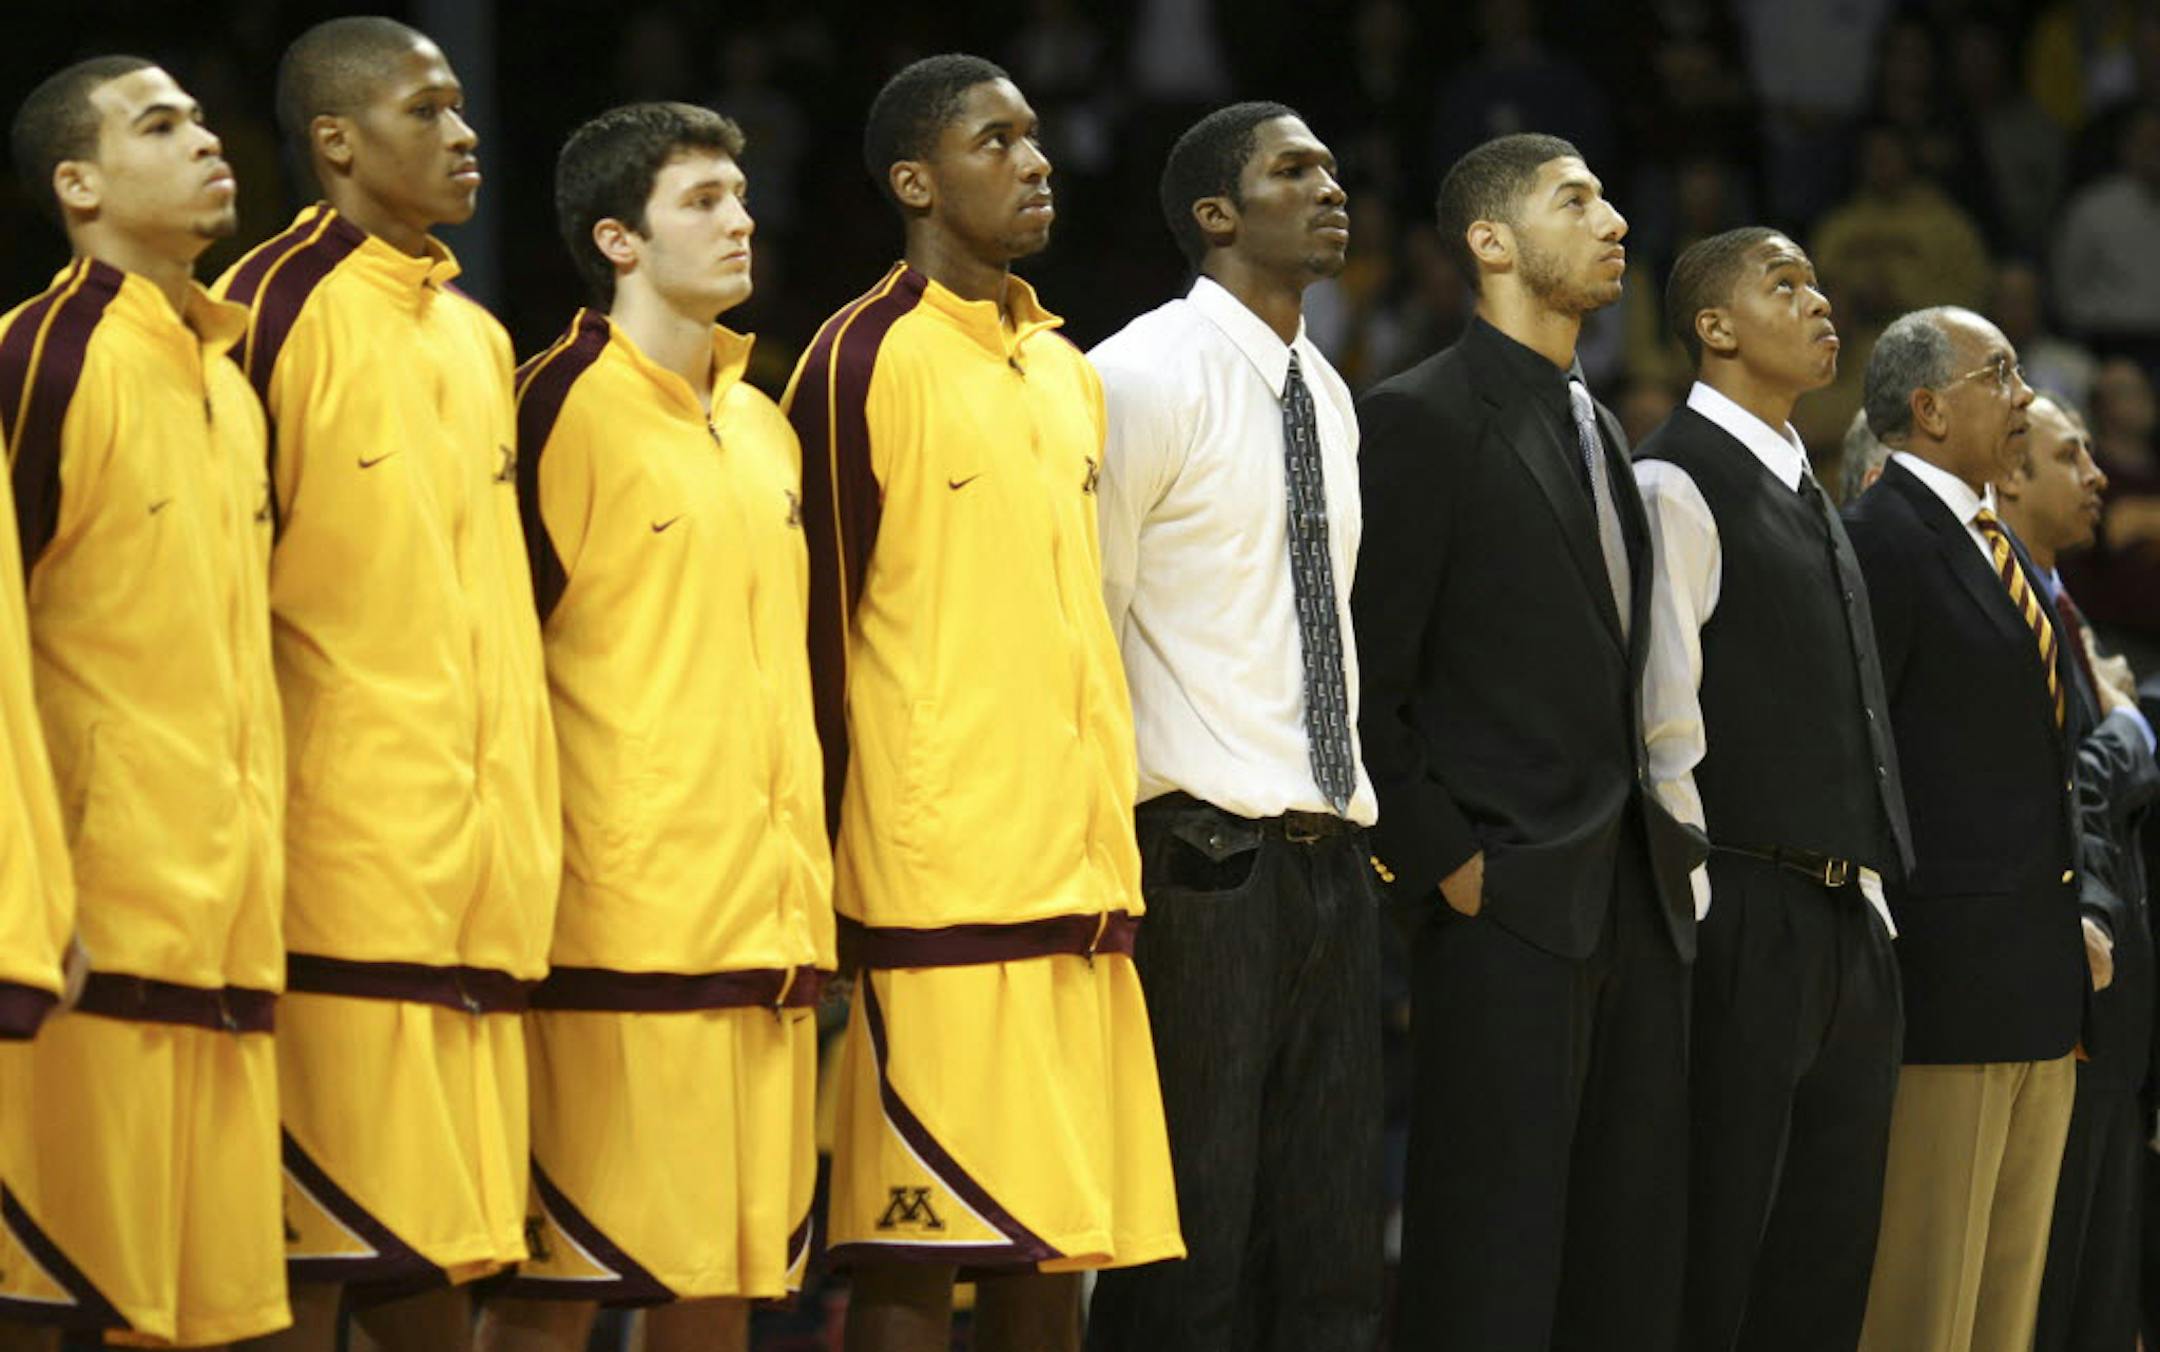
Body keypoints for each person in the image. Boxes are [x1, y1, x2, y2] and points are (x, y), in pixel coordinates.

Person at [781, 53, 1181, 1352]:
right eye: (995, 141)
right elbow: (811, 646)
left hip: (1076, 868)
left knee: (1048, 1249)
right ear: (916, 181)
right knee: (914, 1243)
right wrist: (820, 888)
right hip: (933, 877)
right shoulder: (855, 359)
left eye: (1036, 138)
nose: (1036, 161)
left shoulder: (1064, 368)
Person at [215, 17, 559, 1350]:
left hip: (479, 872)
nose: (463, 134)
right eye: (426, 110)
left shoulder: (477, 338)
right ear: (337, 142)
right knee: (309, 1254)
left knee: (446, 1251)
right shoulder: (267, 310)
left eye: (465, 108)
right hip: (334, 863)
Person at [470, 102, 833, 1352]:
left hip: (768, 920)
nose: (740, 220)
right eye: (702, 201)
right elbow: (491, 658)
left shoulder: (766, 420)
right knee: (557, 1290)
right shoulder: (551, 402)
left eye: (741, 194)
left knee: (721, 1285)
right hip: (611, 926)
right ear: (617, 239)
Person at [1352, 132, 1703, 1351]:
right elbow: (1362, 684)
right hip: (1503, 898)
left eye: (1610, 195)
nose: (1613, 220)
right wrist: (1451, 863)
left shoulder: (1602, 424)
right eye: (1576, 199)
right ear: (1492, 243)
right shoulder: (1415, 418)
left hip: (1630, 899)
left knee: (1623, 1262)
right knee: (1487, 1266)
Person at [1083, 102, 1380, 1352]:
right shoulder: (1136, 372)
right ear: (1216, 214)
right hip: (1196, 854)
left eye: (1329, 163)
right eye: (1291, 168)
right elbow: (1086, 619)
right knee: (1190, 1244)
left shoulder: (1329, 387)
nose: (1329, 184)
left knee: (1328, 1247)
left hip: (1332, 850)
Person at [0, 54, 286, 1347]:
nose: (206, 141)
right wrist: (21, 908)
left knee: (210, 1323)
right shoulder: (39, 357)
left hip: (228, 927)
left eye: (203, 119)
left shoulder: (228, 381)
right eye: (159, 126)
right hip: (86, 939)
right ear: (77, 182)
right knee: (60, 1304)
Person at [1633, 228, 1912, 1352]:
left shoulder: (1810, 476)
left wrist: (1875, 902)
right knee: (1722, 1245)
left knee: (1829, 1249)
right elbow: (1662, 728)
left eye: (1817, 281)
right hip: (1744, 907)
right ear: (1714, 326)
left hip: (1849, 915)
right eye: (1783, 283)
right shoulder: (1673, 477)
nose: (1819, 300)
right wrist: (1702, 910)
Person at [1842, 307, 2090, 1352]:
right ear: (1931, 407)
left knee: (2005, 1303)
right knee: (1924, 1299)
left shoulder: (1999, 545)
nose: (2024, 395)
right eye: (2001, 373)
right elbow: (1865, 762)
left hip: (2037, 973)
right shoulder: (1878, 537)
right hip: (1945, 979)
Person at [2004, 396, 2160, 1352]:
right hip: (2065, 988)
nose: (2099, 476)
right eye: (2073, 456)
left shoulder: (2059, 601)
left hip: (2113, 1003)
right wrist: (2133, 728)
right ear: (2009, 473)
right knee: (2056, 1285)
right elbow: (2078, 777)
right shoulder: (2005, 596)